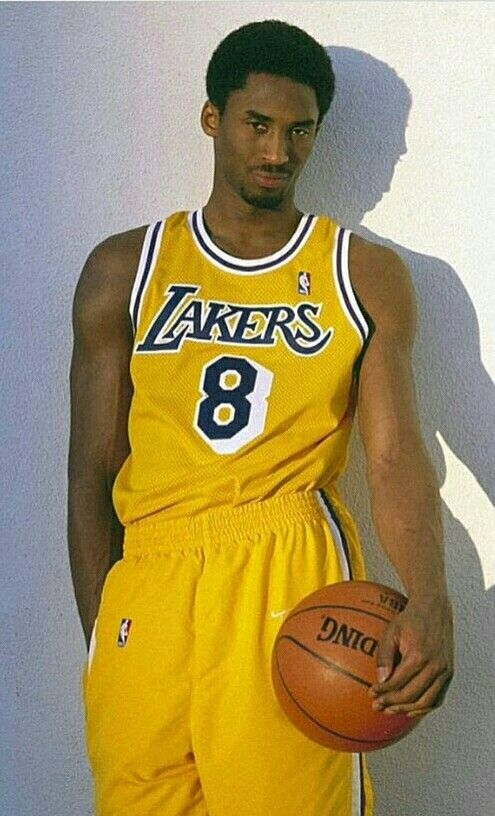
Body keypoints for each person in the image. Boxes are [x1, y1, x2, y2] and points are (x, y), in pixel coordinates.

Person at [68, 19, 454, 816]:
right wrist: (104, 634)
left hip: (284, 568)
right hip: (151, 578)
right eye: (257, 124)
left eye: (299, 130)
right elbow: (90, 472)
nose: (278, 150)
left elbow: (392, 457)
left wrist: (430, 598)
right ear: (213, 119)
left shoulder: (360, 273)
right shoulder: (124, 268)